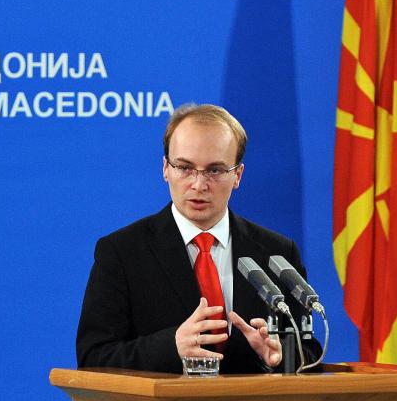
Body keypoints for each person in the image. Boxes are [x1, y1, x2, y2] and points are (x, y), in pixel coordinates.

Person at [76, 103, 322, 374]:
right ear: (165, 169)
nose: (198, 184)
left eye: (215, 171)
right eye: (185, 168)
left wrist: (277, 357)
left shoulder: (276, 253)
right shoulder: (122, 252)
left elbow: (307, 351)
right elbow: (94, 356)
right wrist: (172, 347)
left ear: (237, 175)